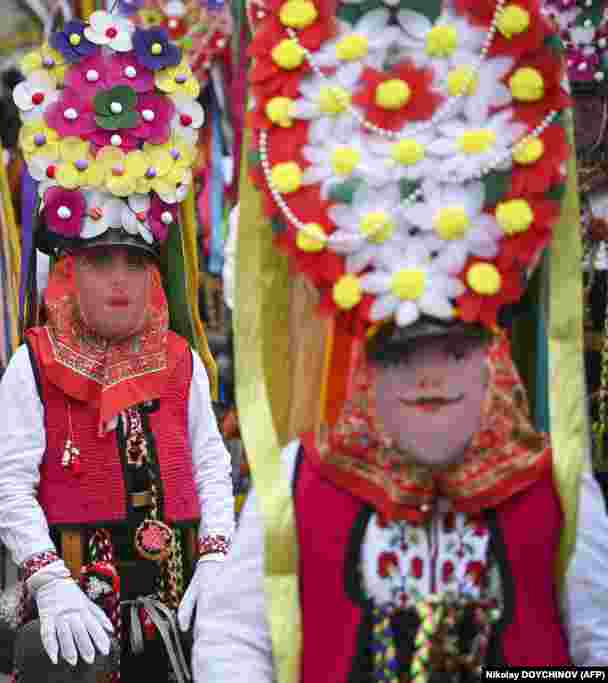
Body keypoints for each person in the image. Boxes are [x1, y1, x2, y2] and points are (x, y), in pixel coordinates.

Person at [195, 0, 608, 677]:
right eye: (401, 354)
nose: (429, 376)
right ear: (367, 364)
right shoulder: (303, 483)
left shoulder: (557, 494)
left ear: (489, 357)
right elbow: (235, 638)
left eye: (453, 351)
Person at [0, 11, 234, 680]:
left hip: (177, 598)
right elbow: (7, 480)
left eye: (133, 262)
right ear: (69, 272)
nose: (120, 281)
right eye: (100, 264)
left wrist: (216, 554)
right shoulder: (34, 362)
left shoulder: (180, 359)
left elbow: (212, 465)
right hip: (77, 602)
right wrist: (47, 580)